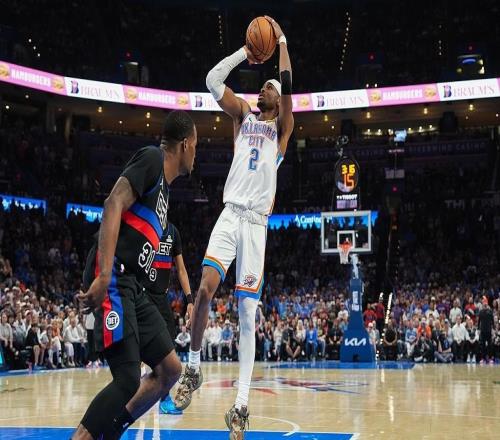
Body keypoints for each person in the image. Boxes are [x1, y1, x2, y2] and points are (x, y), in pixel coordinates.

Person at [174, 16, 294, 439]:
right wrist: (247, 51)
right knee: (205, 288)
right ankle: (193, 367)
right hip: (230, 214)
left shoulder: (282, 129)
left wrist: (280, 40)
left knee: (246, 314)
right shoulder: (243, 116)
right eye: (262, 88)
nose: (263, 90)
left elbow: (287, 81)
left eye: (269, 89)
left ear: (278, 100)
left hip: (257, 225)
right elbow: (212, 80)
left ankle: (241, 405)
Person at [72, 110, 197, 440]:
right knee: (127, 379)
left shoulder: (165, 193)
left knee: (170, 369)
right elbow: (113, 202)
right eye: (196, 146)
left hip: (133, 285)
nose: (196, 154)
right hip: (113, 274)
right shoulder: (153, 158)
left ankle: (112, 429)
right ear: (185, 144)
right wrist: (103, 275)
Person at [140, 221, 194, 414]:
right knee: (138, 345)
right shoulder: (145, 225)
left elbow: (181, 270)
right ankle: (133, 392)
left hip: (161, 297)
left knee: (168, 346)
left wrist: (190, 300)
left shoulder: (173, 231)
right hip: (142, 294)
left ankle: (164, 398)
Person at [478, 296, 495, 364]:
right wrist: (478, 329)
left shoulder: (490, 311)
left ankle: (490, 358)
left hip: (489, 330)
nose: (485, 304)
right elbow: (479, 321)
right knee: (483, 345)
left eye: (486, 303)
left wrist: (493, 329)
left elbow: (492, 321)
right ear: (482, 304)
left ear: (487, 304)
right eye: (484, 303)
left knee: (489, 345)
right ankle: (483, 358)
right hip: (482, 331)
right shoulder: (480, 312)